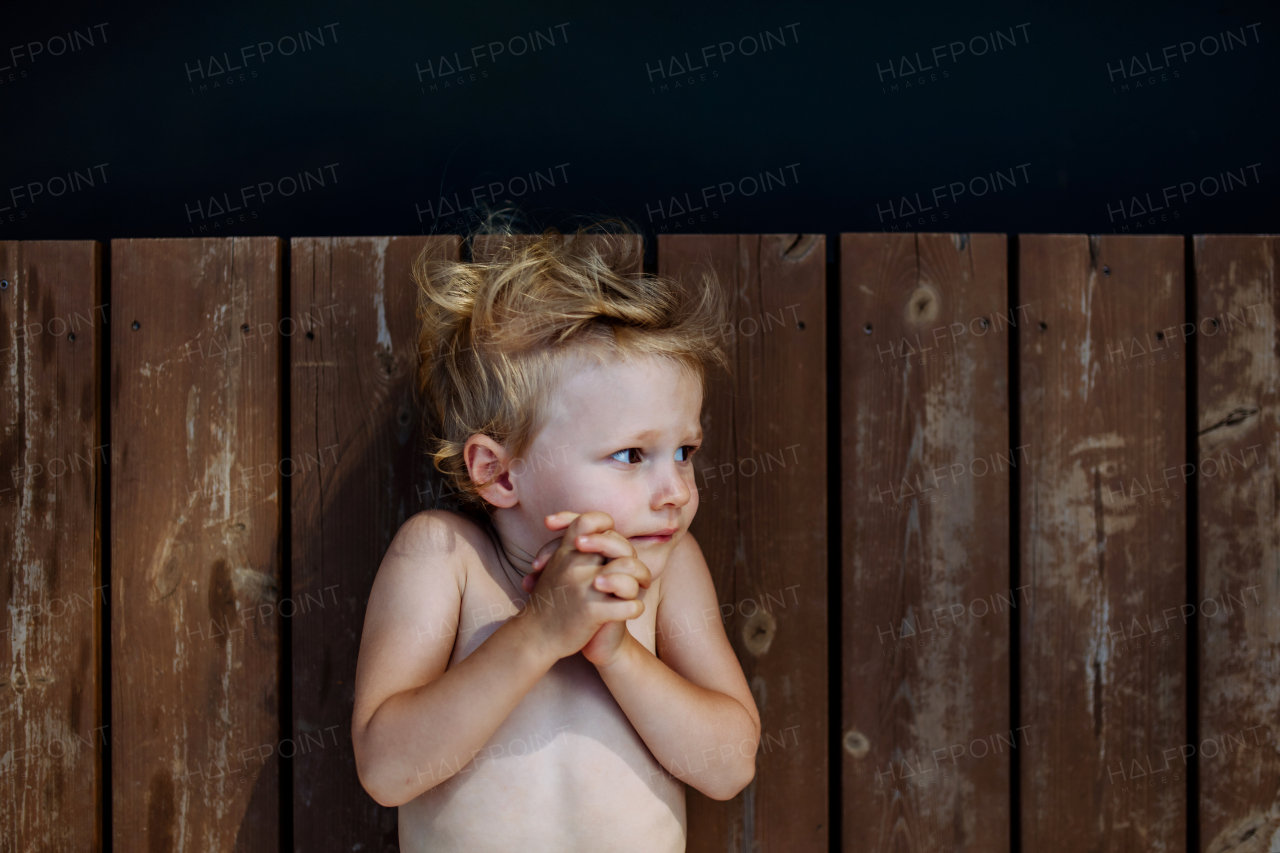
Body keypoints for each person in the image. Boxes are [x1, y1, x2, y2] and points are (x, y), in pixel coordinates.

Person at [350, 218, 760, 852]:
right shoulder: (443, 557)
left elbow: (730, 767)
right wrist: (539, 632)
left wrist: (619, 654)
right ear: (500, 472)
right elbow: (386, 770)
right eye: (631, 456)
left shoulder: (670, 566)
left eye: (684, 451)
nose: (675, 489)